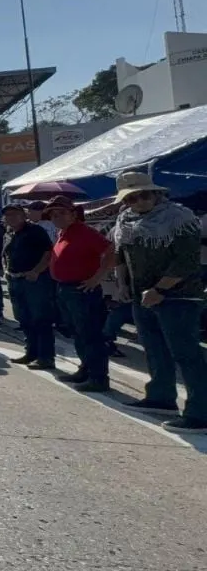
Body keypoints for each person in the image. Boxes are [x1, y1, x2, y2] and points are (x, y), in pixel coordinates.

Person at [110, 172, 207, 433]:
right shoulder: (125, 220)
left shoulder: (179, 217)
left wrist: (160, 289)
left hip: (178, 297)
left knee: (186, 354)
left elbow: (187, 260)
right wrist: (122, 284)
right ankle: (161, 397)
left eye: (144, 195)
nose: (139, 201)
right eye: (131, 198)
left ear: (156, 194)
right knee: (154, 349)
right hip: (142, 296)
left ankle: (201, 412)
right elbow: (120, 253)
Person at [46, 196, 114, 393]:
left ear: (73, 214)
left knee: (90, 334)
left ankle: (98, 378)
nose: (57, 217)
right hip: (66, 289)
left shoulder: (84, 231)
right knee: (78, 333)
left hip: (82, 290)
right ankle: (86, 369)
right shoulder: (64, 232)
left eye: (62, 213)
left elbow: (111, 250)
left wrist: (97, 278)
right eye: (53, 214)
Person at [2, 205, 55, 368]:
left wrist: (36, 271)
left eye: (14, 214)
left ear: (23, 216)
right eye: (7, 215)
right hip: (15, 279)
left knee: (40, 319)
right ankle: (31, 352)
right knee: (24, 319)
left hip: (33, 281)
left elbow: (48, 252)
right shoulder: (9, 233)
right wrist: (6, 270)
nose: (10, 218)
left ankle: (46, 358)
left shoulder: (35, 231)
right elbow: (6, 254)